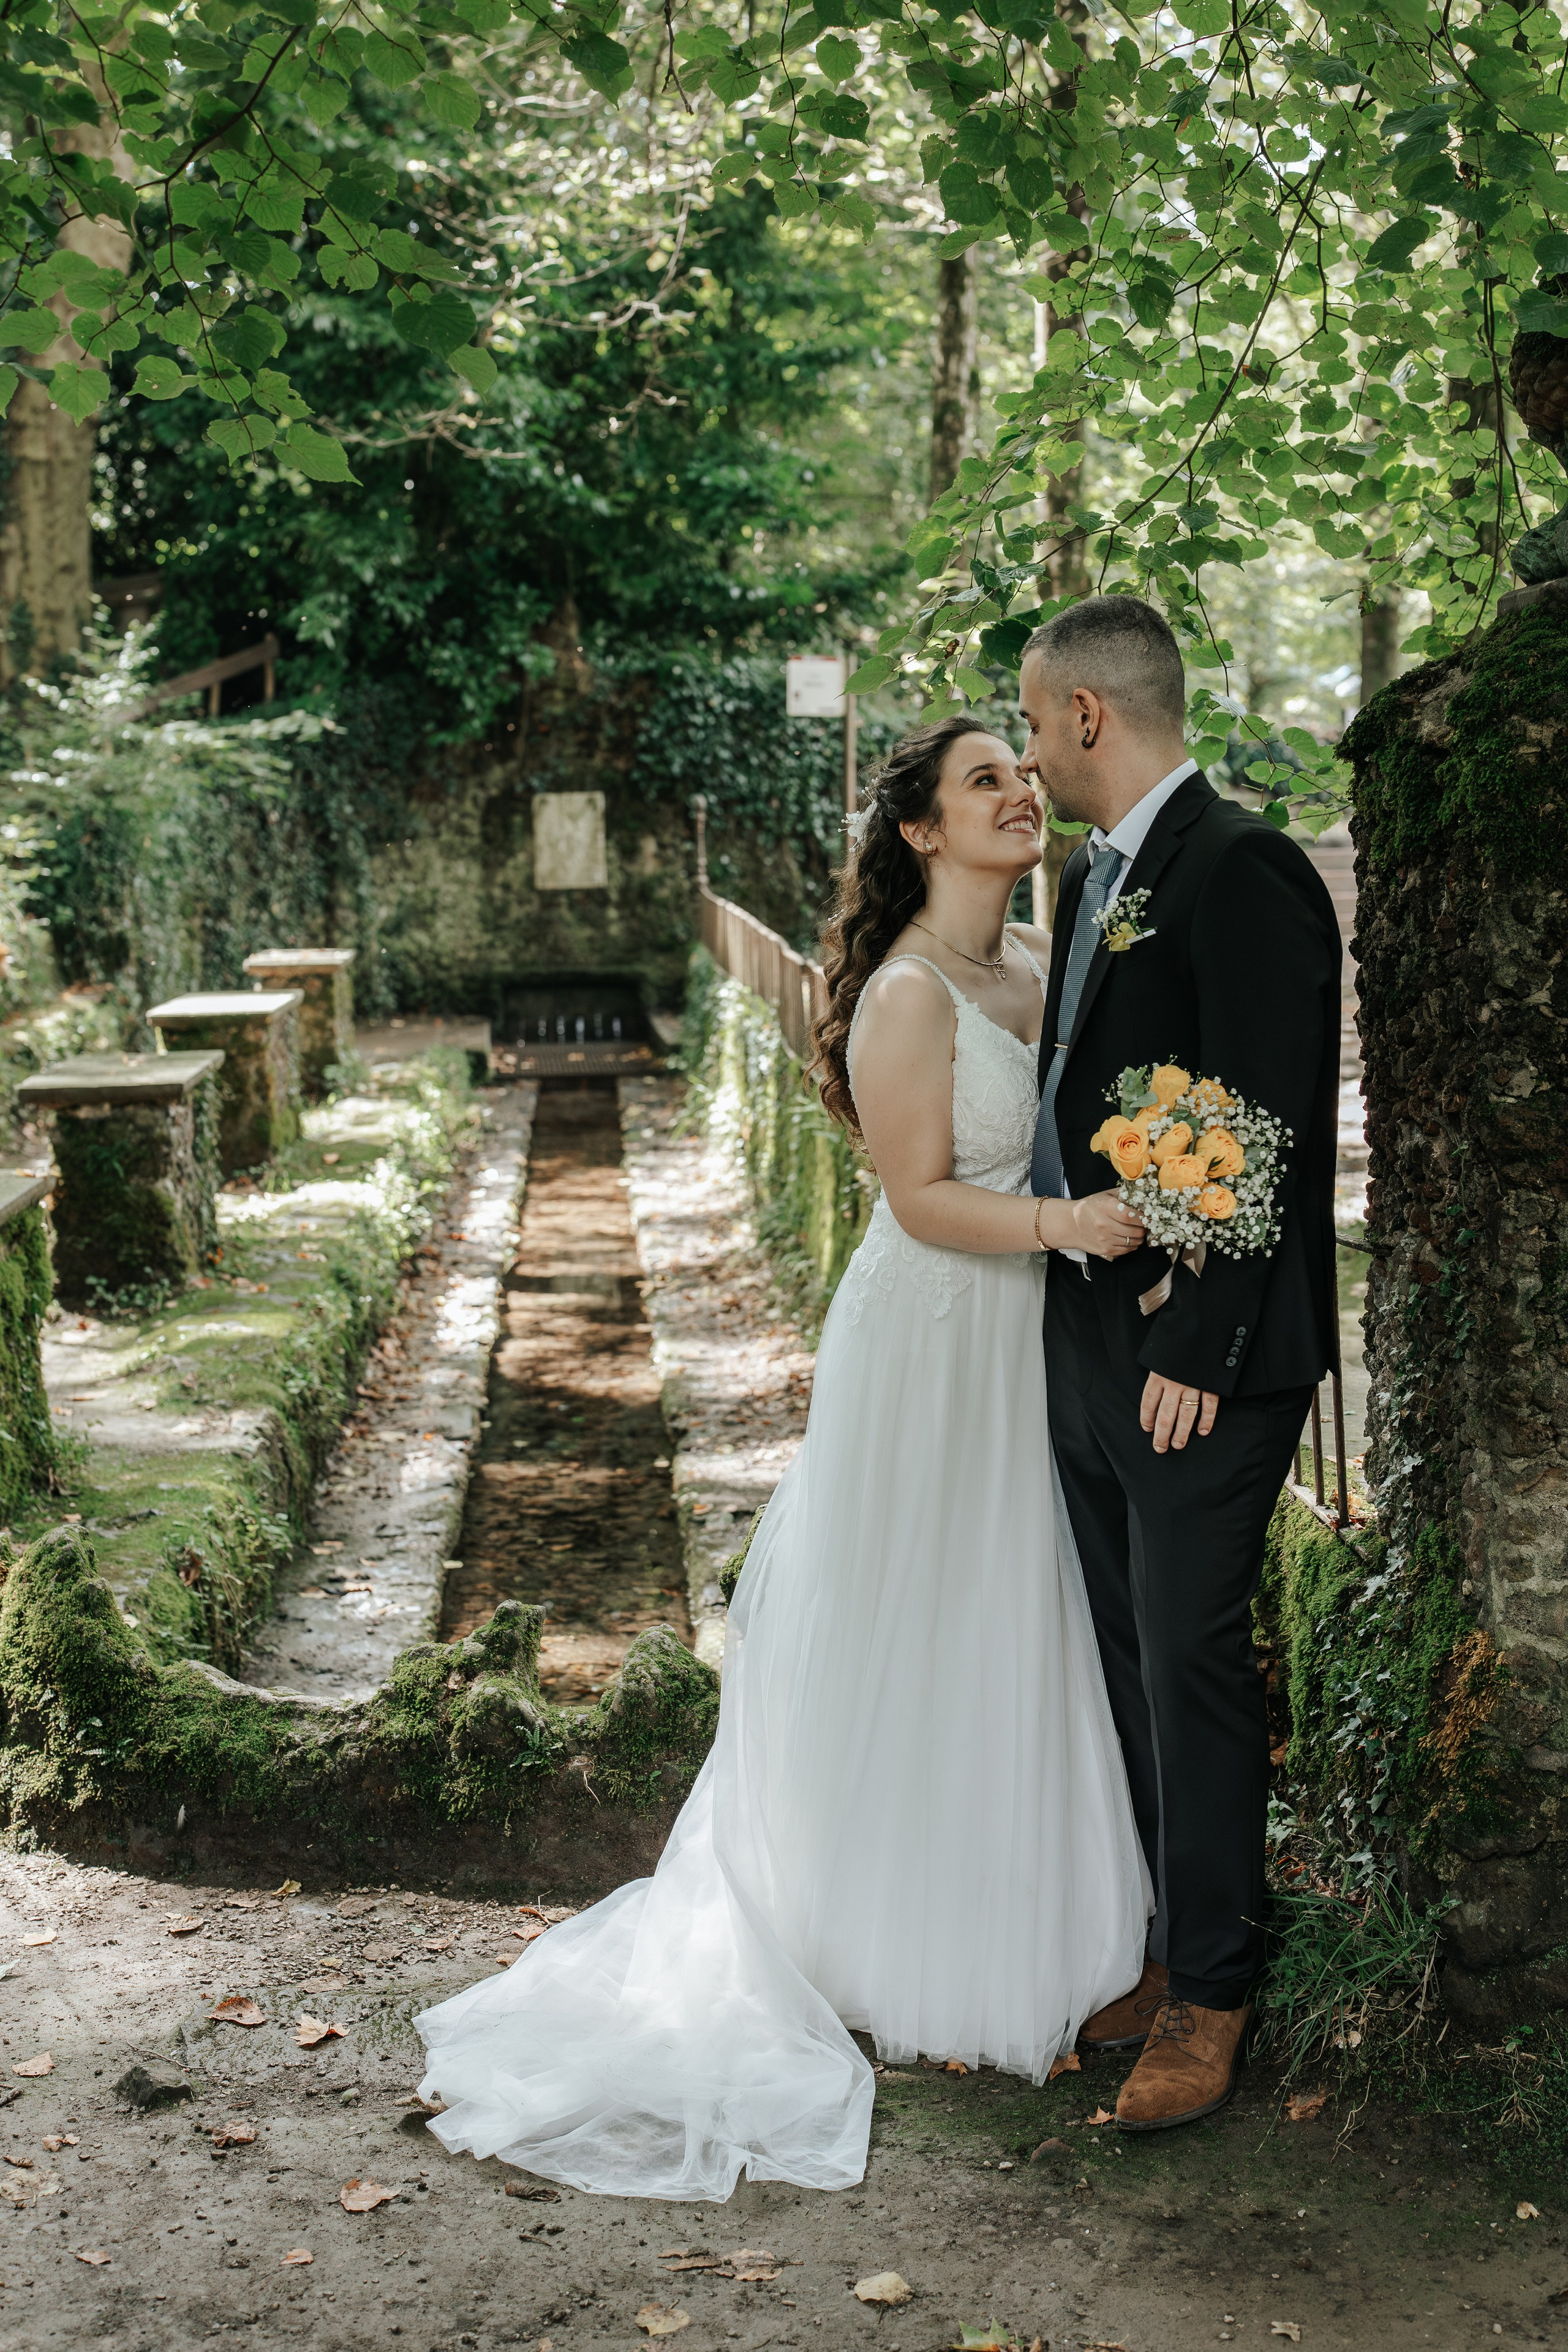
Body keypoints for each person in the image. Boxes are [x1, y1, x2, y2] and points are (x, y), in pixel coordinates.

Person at [414, 712, 1151, 2199]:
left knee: (1016, 1609)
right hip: (934, 1330)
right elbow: (921, 1196)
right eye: (982, 781)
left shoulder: (1040, 963)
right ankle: (876, 1935)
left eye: (1020, 772)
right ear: (921, 833)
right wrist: (1068, 1224)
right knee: (914, 1611)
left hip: (1028, 1335)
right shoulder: (903, 992)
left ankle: (1022, 1919)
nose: (1018, 793)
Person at [1019, 595, 1341, 2130]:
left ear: (1087, 714)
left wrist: (1201, 1341)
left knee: (1191, 1655)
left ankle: (1214, 1991)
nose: (1027, 752)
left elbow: (1268, 1116)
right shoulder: (1093, 872)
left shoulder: (1240, 866)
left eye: (1033, 722)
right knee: (1126, 1653)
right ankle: (1166, 1941)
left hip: (1200, 1351)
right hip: (1089, 1325)